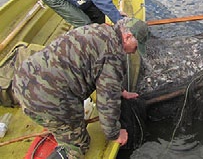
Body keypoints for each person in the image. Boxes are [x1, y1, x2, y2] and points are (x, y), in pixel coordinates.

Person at [13, 17, 150, 159]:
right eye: (136, 46)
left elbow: (102, 69)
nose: (134, 52)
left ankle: (55, 123)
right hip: (47, 99)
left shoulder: (100, 29)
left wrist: (122, 91)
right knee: (78, 146)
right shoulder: (114, 57)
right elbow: (107, 103)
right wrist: (115, 134)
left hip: (22, 80)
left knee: (62, 119)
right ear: (127, 37)